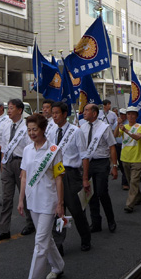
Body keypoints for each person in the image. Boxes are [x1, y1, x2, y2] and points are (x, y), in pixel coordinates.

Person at [18, 113, 65, 279]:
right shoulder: (27, 149)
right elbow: (24, 176)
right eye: (29, 130)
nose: (31, 133)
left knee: (40, 243)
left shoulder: (54, 150)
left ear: (43, 129)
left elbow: (59, 178)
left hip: (48, 201)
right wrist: (21, 200)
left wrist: (60, 203)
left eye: (35, 129)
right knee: (46, 238)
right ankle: (58, 266)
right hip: (32, 200)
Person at [49, 102, 91, 256]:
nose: (54, 116)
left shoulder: (75, 132)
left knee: (76, 210)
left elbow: (84, 156)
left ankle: (86, 238)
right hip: (54, 174)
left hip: (71, 174)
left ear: (65, 114)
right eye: (52, 113)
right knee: (57, 210)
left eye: (56, 113)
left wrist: (85, 178)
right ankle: (59, 244)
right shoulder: (51, 130)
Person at [0, 98, 34, 241]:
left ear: (20, 110)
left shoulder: (27, 126)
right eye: (8, 108)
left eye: (11, 108)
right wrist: (3, 162)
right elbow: (4, 145)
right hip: (8, 162)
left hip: (22, 163)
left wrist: (26, 168)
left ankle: (30, 222)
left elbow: (30, 148)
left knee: (25, 195)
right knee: (7, 197)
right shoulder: (6, 125)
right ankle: (4, 230)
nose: (8, 111)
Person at [80, 104, 118, 233]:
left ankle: (111, 220)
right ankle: (96, 222)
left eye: (86, 110)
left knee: (102, 192)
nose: (83, 112)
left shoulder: (104, 127)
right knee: (90, 194)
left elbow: (112, 146)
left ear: (94, 113)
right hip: (87, 164)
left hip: (101, 163)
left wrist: (114, 165)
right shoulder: (82, 127)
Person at [114, 106, 141, 213]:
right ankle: (139, 197)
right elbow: (115, 135)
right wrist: (118, 125)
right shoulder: (124, 125)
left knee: (134, 181)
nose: (130, 116)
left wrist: (126, 130)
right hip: (125, 158)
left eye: (133, 114)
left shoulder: (140, 126)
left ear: (136, 116)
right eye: (129, 114)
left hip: (137, 158)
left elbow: (137, 137)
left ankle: (129, 204)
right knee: (131, 181)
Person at [114, 108, 129, 190]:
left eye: (124, 114)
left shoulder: (129, 123)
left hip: (126, 146)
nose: (122, 116)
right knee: (121, 164)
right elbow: (115, 135)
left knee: (125, 163)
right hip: (118, 145)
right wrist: (118, 125)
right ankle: (126, 177)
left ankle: (125, 181)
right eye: (121, 114)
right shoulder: (117, 123)